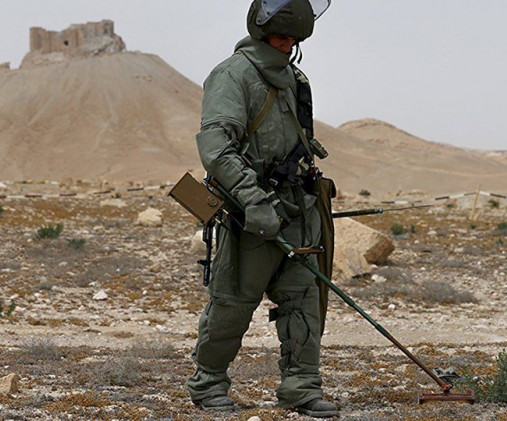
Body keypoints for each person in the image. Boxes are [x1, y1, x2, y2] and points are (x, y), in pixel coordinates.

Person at [186, 0, 338, 418]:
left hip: (298, 211)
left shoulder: (295, 79)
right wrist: (254, 200)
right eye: (280, 37)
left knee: (303, 301)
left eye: (293, 39)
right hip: (249, 214)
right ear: (261, 32)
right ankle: (208, 384)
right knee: (232, 304)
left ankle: (301, 387)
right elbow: (216, 146)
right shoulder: (232, 75)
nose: (286, 45)